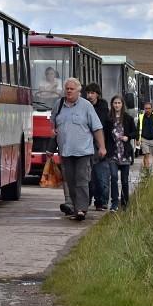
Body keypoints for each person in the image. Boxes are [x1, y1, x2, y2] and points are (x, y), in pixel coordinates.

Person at [55, 78, 106, 221]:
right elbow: (52, 123)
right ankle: (76, 207)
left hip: (83, 151)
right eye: (67, 89)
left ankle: (82, 209)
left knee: (82, 179)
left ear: (78, 91)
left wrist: (102, 146)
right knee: (70, 181)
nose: (69, 91)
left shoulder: (86, 106)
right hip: (65, 151)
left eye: (72, 89)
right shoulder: (58, 105)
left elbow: (97, 128)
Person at [105, 95, 136, 210]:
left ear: (122, 105)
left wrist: (128, 137)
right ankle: (114, 202)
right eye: (115, 103)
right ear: (112, 105)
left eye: (119, 103)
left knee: (124, 179)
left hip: (124, 153)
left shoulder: (128, 118)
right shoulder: (108, 119)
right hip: (112, 153)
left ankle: (125, 202)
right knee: (113, 177)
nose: (117, 105)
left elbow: (135, 132)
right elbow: (104, 135)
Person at [84, 83, 111, 211]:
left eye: (92, 93)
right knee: (87, 177)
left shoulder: (102, 107)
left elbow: (99, 124)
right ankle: (86, 200)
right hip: (86, 145)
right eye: (88, 93)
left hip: (100, 144)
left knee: (101, 175)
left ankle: (101, 201)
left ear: (97, 94)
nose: (89, 95)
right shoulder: (82, 105)